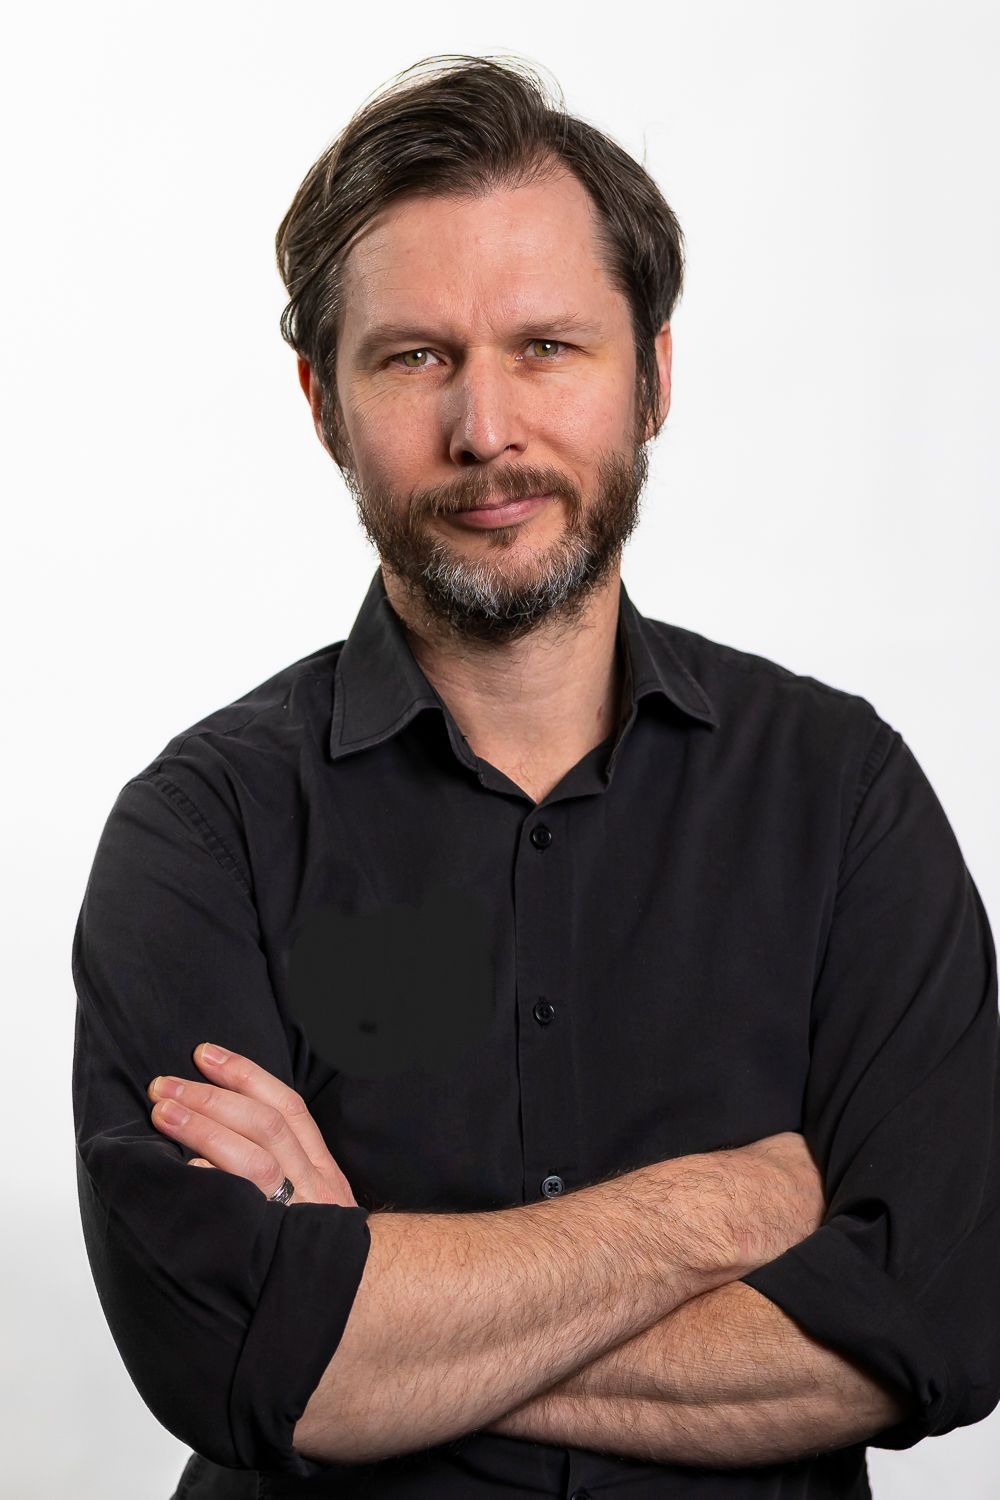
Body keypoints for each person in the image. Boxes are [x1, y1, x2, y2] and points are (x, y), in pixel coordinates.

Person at [71, 54, 1000, 1500]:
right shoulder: (203, 834)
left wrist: (375, 1319)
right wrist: (719, 1210)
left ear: (655, 377)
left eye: (548, 346)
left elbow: (941, 1320)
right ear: (322, 402)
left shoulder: (844, 797)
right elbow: (232, 1347)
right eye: (415, 357)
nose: (487, 431)